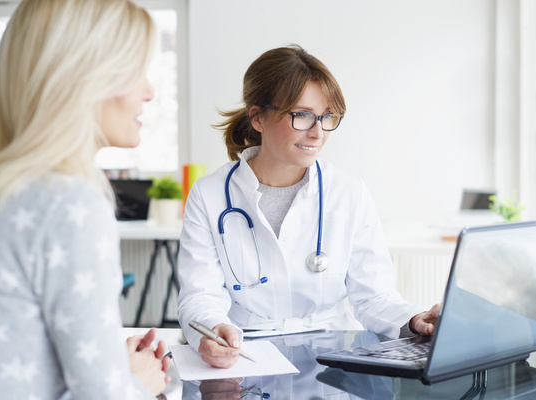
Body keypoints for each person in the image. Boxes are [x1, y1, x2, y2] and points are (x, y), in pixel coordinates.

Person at [177, 45, 440, 368]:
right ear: (258, 117)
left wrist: (415, 318)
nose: (318, 133)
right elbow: (199, 294)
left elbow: (373, 296)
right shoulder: (210, 194)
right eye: (301, 116)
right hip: (246, 354)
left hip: (334, 356)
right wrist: (214, 330)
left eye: (327, 117)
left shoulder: (348, 192)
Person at [0, 0, 170, 398]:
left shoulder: (16, 191)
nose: (148, 91)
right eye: (136, 71)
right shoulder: (67, 203)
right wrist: (137, 384)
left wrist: (111, 368)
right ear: (86, 75)